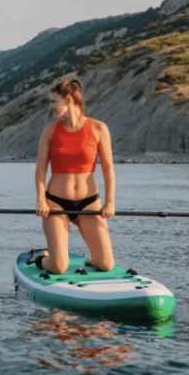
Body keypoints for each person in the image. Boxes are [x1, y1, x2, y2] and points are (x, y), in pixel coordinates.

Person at [34, 78, 116, 274]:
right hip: (55, 204)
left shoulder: (98, 128)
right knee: (59, 267)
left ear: (68, 99)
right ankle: (42, 259)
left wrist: (109, 202)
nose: (50, 107)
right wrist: (41, 200)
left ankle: (91, 259)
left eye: (54, 101)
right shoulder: (50, 131)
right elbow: (40, 171)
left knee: (106, 265)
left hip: (89, 204)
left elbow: (108, 168)